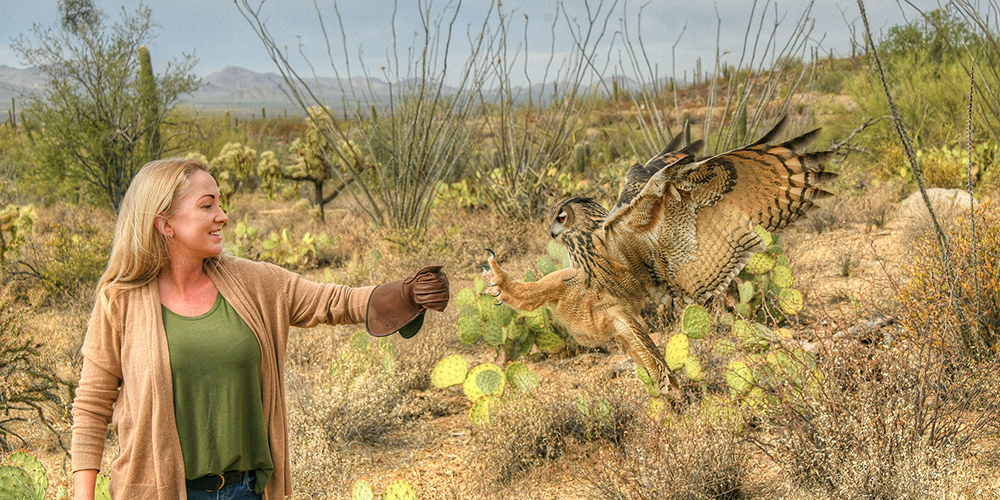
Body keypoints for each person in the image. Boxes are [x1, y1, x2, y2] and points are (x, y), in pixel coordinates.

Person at [70, 158, 449, 500]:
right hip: (158, 491)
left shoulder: (253, 282)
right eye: (207, 205)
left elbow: (331, 301)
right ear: (164, 223)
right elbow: (91, 405)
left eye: (220, 203)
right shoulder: (119, 301)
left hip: (246, 491)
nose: (223, 216)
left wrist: (405, 295)